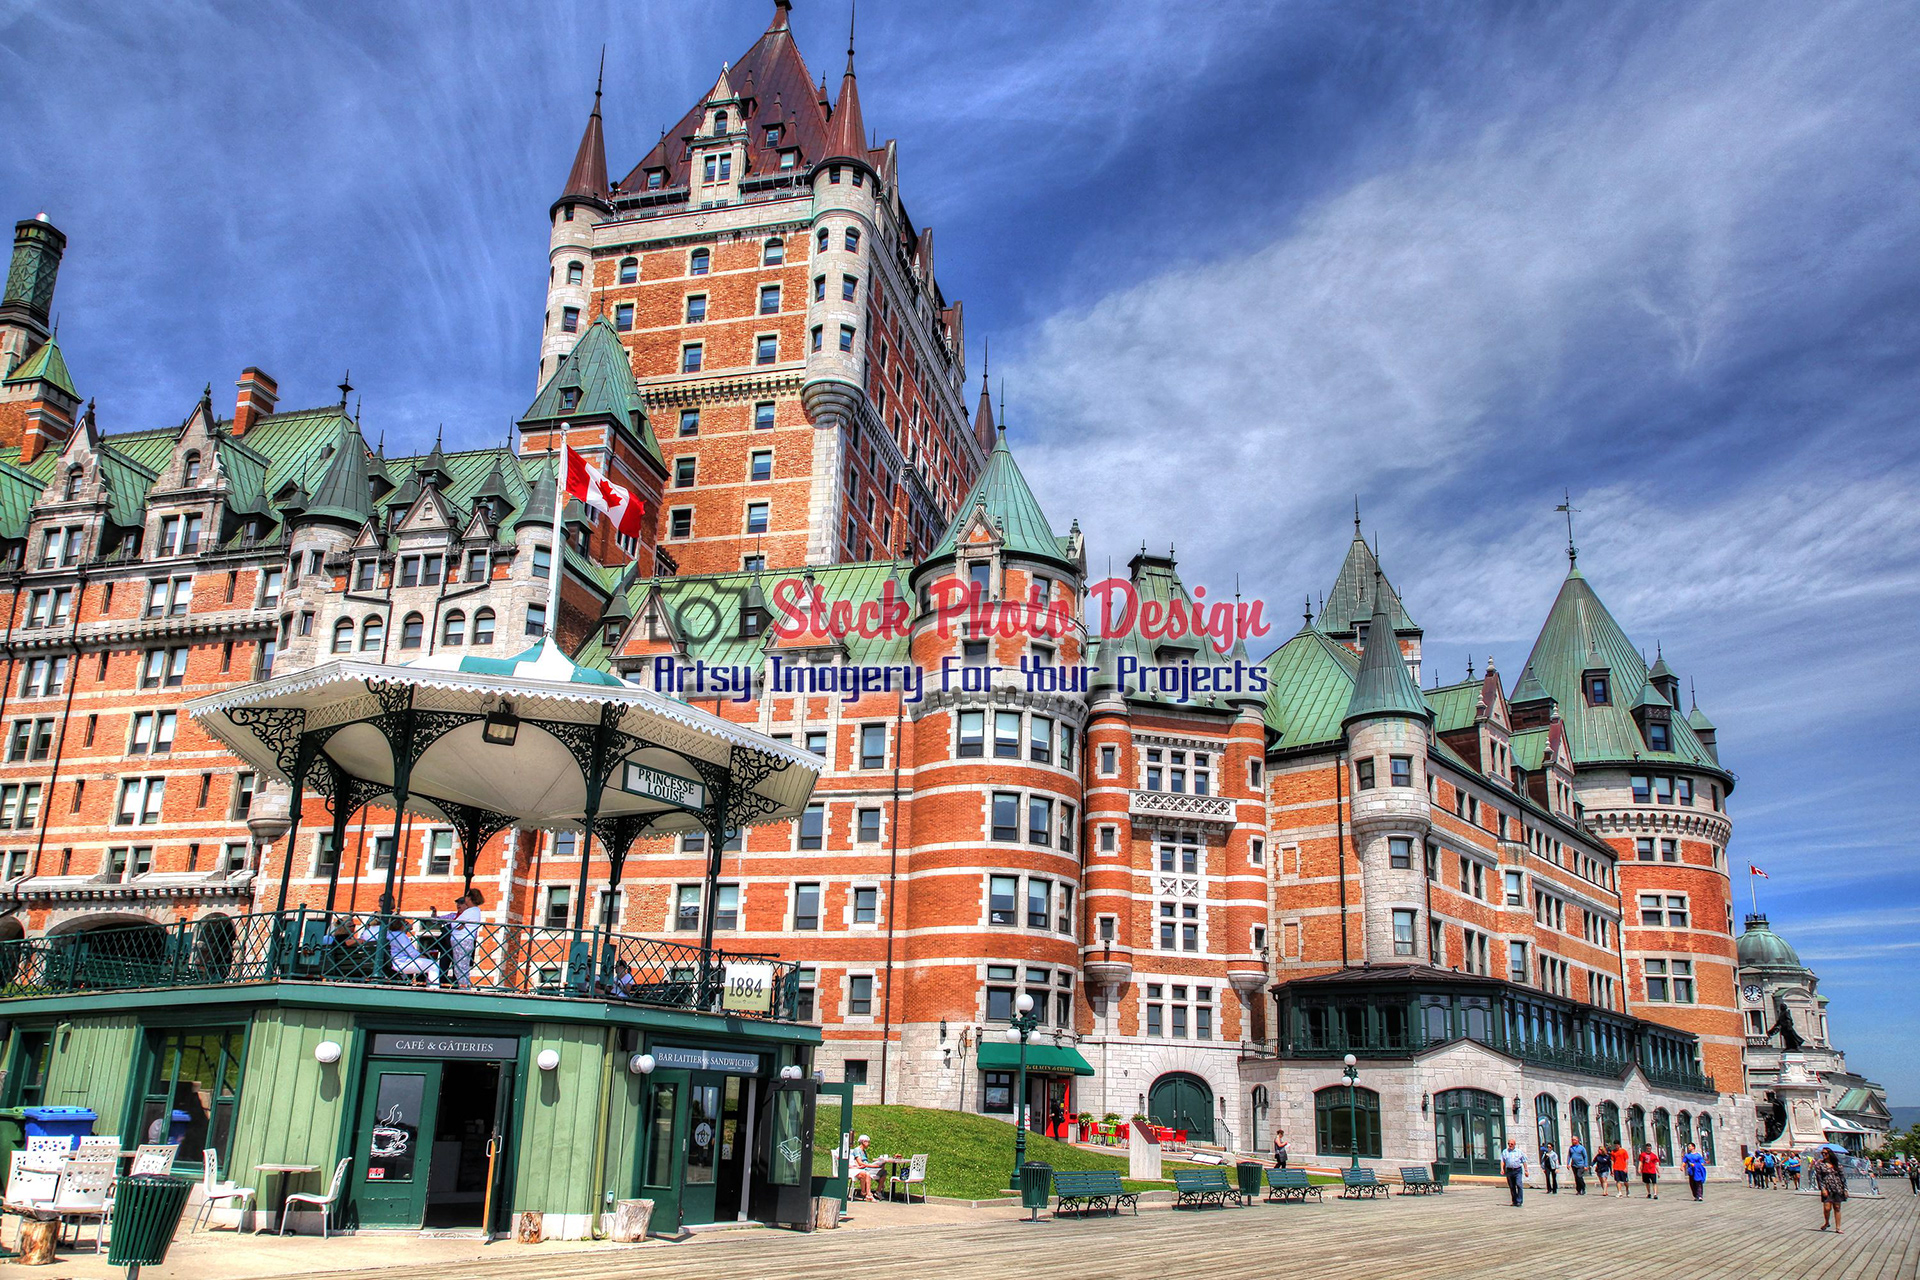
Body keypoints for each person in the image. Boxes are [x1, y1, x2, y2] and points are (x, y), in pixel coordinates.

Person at [444, 888, 484, 988]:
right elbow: (459, 924)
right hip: (463, 939)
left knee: (460, 967)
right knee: (461, 966)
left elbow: (455, 924)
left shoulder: (471, 911)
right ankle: (464, 987)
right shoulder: (474, 911)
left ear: (470, 898)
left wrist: (459, 924)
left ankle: (464, 988)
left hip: (462, 940)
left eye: (466, 896)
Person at [386, 917, 440, 984]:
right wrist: (423, 956)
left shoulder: (390, 934)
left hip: (396, 962)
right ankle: (433, 987)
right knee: (433, 965)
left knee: (427, 963)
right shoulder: (400, 936)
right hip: (403, 963)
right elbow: (411, 952)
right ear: (402, 925)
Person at [1812, 1149, 1847, 1235]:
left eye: (1825, 1153)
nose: (1823, 1155)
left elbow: (1842, 1177)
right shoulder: (1820, 1165)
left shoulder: (1837, 1164)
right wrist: (1822, 1188)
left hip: (1838, 1187)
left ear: (1830, 1154)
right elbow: (1819, 1178)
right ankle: (1827, 1222)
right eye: (1822, 1153)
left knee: (1837, 1207)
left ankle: (1838, 1227)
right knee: (1827, 1208)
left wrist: (1845, 1189)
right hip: (1827, 1187)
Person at [850, 1134, 885, 1202]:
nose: (869, 1144)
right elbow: (860, 1163)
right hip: (864, 1169)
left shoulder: (864, 1151)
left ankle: (878, 1191)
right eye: (868, 1142)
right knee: (870, 1173)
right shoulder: (857, 1150)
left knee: (883, 1172)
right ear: (863, 1142)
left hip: (867, 1168)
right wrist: (873, 1166)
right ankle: (868, 1194)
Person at [1500, 1136, 1529, 1206]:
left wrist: (1526, 1170)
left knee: (1519, 1184)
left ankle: (1519, 1201)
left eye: (1511, 1144)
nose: (1510, 1145)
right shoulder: (1505, 1151)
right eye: (1509, 1144)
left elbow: (1524, 1161)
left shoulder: (1519, 1152)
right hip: (1509, 1170)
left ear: (1514, 1145)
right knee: (1512, 1186)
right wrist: (1502, 1169)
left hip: (1517, 1170)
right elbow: (1502, 1161)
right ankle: (1514, 1201)